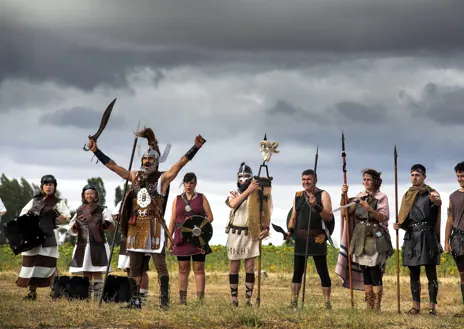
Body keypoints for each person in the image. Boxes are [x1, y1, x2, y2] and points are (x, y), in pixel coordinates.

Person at [87, 127, 205, 309]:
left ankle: (164, 301)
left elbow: (180, 164)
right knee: (134, 267)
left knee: (160, 266)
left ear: (157, 161)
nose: (147, 161)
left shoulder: (162, 179)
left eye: (150, 159)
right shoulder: (135, 176)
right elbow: (114, 166)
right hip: (136, 227)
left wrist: (195, 148)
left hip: (155, 227)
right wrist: (96, 151)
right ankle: (135, 301)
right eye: (145, 159)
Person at [339, 169, 393, 311]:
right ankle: (369, 305)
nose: (366, 182)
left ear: (375, 181)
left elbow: (383, 217)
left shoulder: (382, 197)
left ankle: (377, 306)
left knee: (374, 270)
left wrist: (368, 208)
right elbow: (344, 212)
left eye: (368, 179)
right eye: (364, 179)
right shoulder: (359, 196)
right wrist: (343, 194)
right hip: (360, 237)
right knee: (365, 271)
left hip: (375, 236)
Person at [394, 164, 442, 316]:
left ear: (424, 177)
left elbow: (438, 203)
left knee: (430, 272)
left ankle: (432, 307)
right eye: (412, 175)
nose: (414, 178)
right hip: (411, 235)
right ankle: (416, 307)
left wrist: (436, 200)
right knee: (413, 273)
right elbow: (406, 217)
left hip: (427, 235)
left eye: (418, 175)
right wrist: (399, 224)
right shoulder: (408, 194)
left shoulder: (430, 193)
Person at [16, 175, 71, 300]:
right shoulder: (34, 201)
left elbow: (64, 219)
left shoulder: (58, 202)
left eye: (51, 185)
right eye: (46, 184)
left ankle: (56, 292)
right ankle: (32, 293)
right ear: (42, 186)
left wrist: (55, 214)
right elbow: (22, 216)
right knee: (32, 263)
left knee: (49, 263)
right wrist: (29, 216)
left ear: (54, 187)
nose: (48, 187)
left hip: (49, 235)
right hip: (33, 236)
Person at [286, 169, 334, 310]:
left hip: (317, 238)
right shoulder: (298, 196)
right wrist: (289, 232)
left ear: (315, 180)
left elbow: (329, 217)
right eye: (304, 179)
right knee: (297, 272)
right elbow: (293, 217)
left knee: (322, 271)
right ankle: (294, 301)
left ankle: (327, 303)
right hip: (301, 238)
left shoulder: (323, 194)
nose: (306, 182)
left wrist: (316, 206)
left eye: (308, 179)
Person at [225, 162, 271, 307]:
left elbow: (265, 211)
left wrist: (266, 226)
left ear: (251, 178)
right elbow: (233, 204)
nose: (243, 179)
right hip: (235, 233)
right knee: (234, 267)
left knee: (250, 267)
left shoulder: (257, 194)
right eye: (241, 176)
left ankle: (248, 300)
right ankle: (234, 299)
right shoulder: (233, 193)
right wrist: (248, 190)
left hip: (250, 233)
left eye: (246, 176)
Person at [167, 172, 214, 304]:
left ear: (195, 184)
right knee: (183, 268)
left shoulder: (201, 198)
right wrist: (169, 239)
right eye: (187, 182)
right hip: (182, 237)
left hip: (198, 238)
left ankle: (200, 300)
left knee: (199, 268)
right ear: (184, 183)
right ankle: (182, 300)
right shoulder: (177, 199)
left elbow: (210, 217)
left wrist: (197, 223)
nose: (189, 185)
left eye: (191, 182)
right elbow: (172, 219)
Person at [67, 184, 115, 301]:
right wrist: (75, 227)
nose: (89, 195)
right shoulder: (79, 210)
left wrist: (98, 227)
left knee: (97, 270)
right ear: (84, 196)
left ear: (95, 195)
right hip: (83, 244)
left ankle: (97, 298)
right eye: (87, 194)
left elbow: (109, 222)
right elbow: (71, 227)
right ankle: (86, 297)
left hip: (98, 244)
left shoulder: (103, 209)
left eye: (91, 193)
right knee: (86, 271)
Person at [112, 199, 150, 303]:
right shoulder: (125, 200)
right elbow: (115, 216)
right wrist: (124, 215)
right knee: (128, 267)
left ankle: (142, 295)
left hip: (142, 236)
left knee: (142, 269)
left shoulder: (147, 198)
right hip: (127, 235)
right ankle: (133, 295)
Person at [444, 161, 464, 317]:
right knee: (462, 274)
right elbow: (450, 218)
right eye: (458, 176)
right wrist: (446, 241)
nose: (460, 179)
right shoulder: (453, 196)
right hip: (458, 238)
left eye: (462, 176)